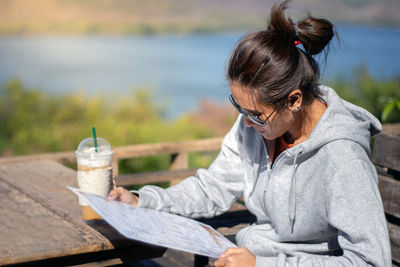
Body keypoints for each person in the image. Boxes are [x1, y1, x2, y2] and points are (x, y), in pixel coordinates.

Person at [108, 1, 391, 265]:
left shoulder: (342, 157)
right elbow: (212, 188)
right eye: (237, 106)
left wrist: (262, 264)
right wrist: (143, 201)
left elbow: (370, 260)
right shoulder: (256, 124)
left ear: (293, 100)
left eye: (256, 114)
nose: (245, 123)